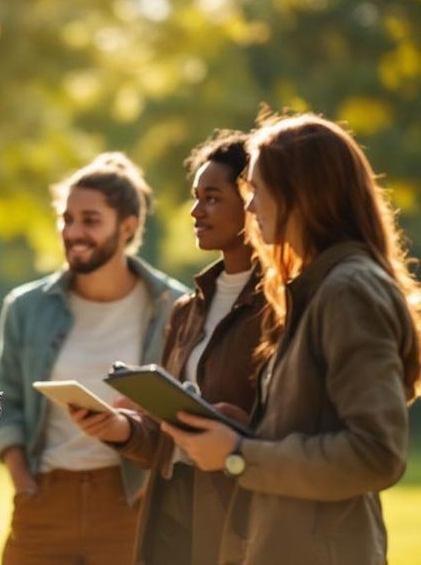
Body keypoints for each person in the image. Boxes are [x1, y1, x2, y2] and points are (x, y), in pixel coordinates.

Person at [162, 114, 420, 565]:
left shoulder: (348, 291)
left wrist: (240, 453)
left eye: (257, 190)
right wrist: (246, 429)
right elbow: (316, 427)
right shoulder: (316, 287)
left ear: (301, 193)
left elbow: (376, 454)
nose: (250, 206)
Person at [0, 153, 188, 565]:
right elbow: (3, 398)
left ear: (127, 227)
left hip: (131, 502)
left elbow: (183, 407)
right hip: (43, 501)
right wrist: (22, 479)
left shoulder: (175, 308)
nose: (73, 231)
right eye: (67, 218)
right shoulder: (25, 307)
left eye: (90, 220)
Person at [77, 131, 265, 565]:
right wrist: (120, 428)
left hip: (237, 515)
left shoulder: (282, 304)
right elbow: (168, 435)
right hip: (170, 508)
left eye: (213, 198)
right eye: (196, 197)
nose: (196, 211)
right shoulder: (187, 309)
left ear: (253, 200)